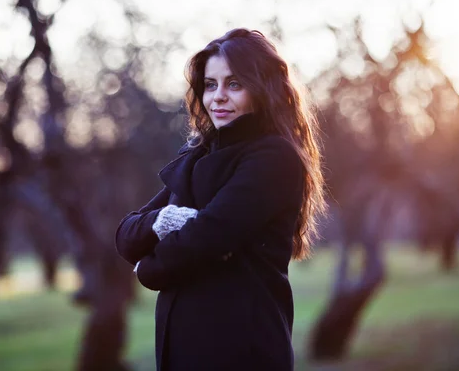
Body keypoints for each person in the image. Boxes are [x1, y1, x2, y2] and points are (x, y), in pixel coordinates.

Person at [115, 28, 325, 371]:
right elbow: (126, 236)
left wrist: (147, 268)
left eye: (234, 84)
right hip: (183, 348)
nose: (218, 97)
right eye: (211, 85)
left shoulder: (273, 157)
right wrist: (163, 221)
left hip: (241, 347)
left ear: (263, 90)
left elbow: (208, 236)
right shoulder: (196, 156)